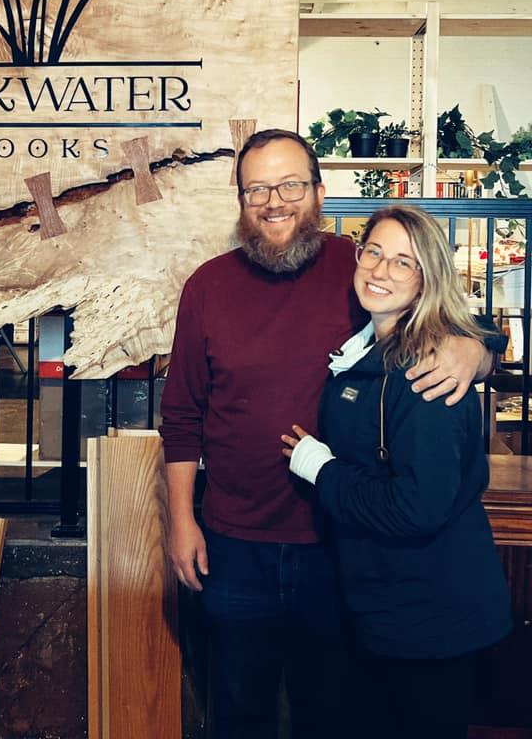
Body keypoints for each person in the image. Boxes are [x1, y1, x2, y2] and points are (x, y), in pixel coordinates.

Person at [159, 129, 498, 739]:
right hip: (234, 545)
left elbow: (451, 317)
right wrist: (182, 521)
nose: (274, 201)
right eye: (256, 188)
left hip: (338, 545)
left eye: (290, 184)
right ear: (240, 200)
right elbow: (181, 415)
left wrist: (474, 351)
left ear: (319, 192)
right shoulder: (206, 286)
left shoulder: (361, 268)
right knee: (239, 711)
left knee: (332, 714)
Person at [282, 204, 512, 739]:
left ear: (427, 276)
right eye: (374, 253)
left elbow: (417, 508)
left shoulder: (426, 373)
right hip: (386, 608)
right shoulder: (371, 346)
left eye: (403, 262)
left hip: (430, 619)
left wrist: (323, 469)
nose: (381, 270)